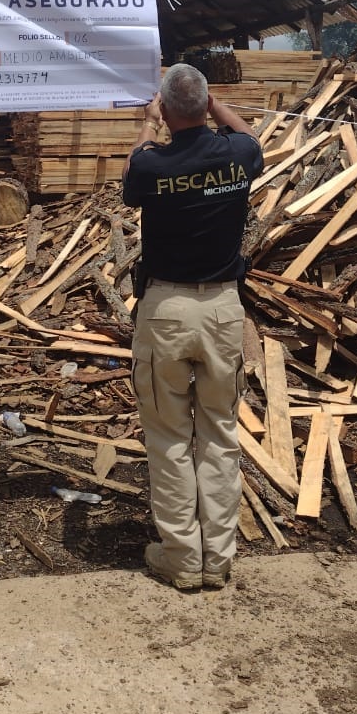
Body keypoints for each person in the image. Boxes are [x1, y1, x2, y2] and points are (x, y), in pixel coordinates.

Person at [122, 63, 264, 592]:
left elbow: (134, 171)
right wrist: (213, 103)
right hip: (223, 311)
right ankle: (217, 559)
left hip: (166, 312)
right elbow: (248, 132)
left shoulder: (151, 164)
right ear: (206, 108)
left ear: (164, 108)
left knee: (168, 437)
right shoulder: (237, 155)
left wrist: (148, 123)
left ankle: (182, 557)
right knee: (220, 434)